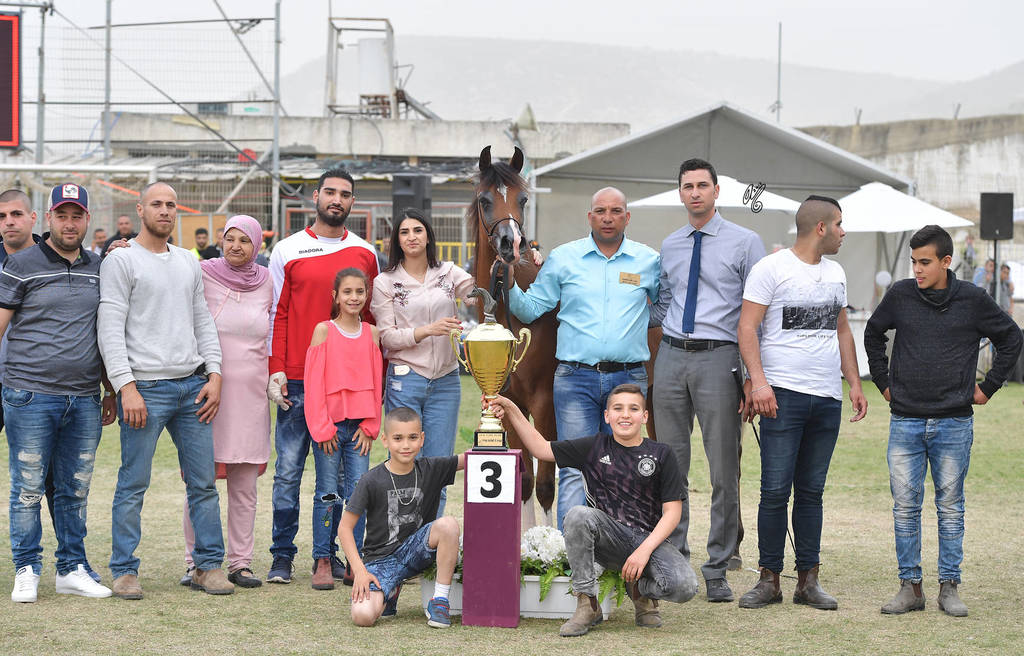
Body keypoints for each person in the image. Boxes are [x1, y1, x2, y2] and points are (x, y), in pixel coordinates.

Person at [864, 225, 1022, 618]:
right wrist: (883, 384)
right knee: (905, 507)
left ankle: (949, 587)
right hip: (905, 420)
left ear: (946, 261)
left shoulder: (973, 299)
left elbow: (1012, 338)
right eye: (913, 262)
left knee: (950, 507)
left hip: (954, 423)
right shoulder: (900, 294)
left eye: (925, 262)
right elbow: (872, 334)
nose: (916, 269)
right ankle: (910, 587)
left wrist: (988, 388)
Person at [98, 181, 232, 599]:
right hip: (146, 388)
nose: (165, 211)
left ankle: (208, 567)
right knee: (133, 482)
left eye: (171, 205)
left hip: (192, 385)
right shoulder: (121, 261)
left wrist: (215, 373)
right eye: (156, 204)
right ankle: (124, 570)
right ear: (140, 210)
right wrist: (126, 387)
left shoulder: (187, 261)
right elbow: (110, 328)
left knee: (204, 484)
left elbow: (201, 318)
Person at [736, 195, 867, 611]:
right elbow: (747, 327)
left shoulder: (837, 272)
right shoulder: (770, 269)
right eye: (840, 225)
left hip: (826, 397)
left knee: (812, 491)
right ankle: (769, 579)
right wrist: (759, 383)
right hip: (782, 396)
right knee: (775, 491)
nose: (845, 232)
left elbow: (843, 331)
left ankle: (808, 581)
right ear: (821, 227)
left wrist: (853, 382)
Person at [489, 384, 698, 637]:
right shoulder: (594, 447)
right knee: (578, 514)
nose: (625, 415)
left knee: (685, 586)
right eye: (618, 408)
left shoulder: (661, 454)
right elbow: (541, 449)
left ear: (644, 417)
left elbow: (673, 513)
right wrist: (511, 408)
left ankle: (640, 590)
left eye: (633, 409)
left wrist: (643, 552)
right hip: (606, 539)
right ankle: (587, 602)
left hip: (648, 542)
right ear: (607, 416)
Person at [507, 187, 659, 531]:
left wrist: (635, 323)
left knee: (623, 466)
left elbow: (664, 304)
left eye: (616, 211)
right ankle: (574, 556)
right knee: (575, 468)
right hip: (576, 380)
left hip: (628, 381)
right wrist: (511, 280)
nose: (608, 217)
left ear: (627, 217)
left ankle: (620, 548)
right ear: (590, 216)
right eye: (601, 211)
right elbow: (531, 308)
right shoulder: (564, 258)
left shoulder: (648, 260)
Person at [649, 158, 765, 602]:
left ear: (717, 191)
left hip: (720, 360)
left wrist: (756, 379)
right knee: (670, 467)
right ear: (680, 193)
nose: (694, 193)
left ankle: (719, 563)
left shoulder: (745, 242)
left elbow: (760, 315)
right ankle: (674, 555)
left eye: (702, 185)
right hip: (672, 357)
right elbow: (661, 306)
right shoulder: (671, 244)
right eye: (687, 186)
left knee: (723, 468)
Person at [1, 183, 117, 603]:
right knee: (28, 488)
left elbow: (105, 332)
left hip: (84, 397)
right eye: (62, 215)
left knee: (74, 490)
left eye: (77, 215)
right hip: (30, 395)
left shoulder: (101, 266)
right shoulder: (20, 264)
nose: (70, 223)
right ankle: (27, 568)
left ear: (88, 219)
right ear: (47, 218)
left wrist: (110, 388)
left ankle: (71, 567)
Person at [265, 168, 379, 585]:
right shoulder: (287, 249)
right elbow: (277, 312)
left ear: (353, 202)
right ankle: (281, 556)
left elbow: (369, 324)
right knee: (288, 474)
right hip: (297, 382)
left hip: (346, 394)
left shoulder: (366, 253)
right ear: (315, 196)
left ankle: (344, 557)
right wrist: (276, 368)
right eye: (330, 192)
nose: (337, 199)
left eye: (345, 194)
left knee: (349, 481)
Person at [178, 215, 274, 590]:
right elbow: (160, 261)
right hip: (208, 393)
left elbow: (276, 326)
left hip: (251, 396)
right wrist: (121, 248)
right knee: (200, 481)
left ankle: (240, 563)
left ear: (257, 246)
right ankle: (195, 562)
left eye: (244, 241)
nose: (235, 246)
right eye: (229, 238)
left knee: (245, 485)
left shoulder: (267, 281)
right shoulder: (200, 271)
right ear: (220, 240)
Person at [371, 208, 475, 517]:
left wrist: (509, 264)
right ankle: (402, 537)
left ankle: (431, 537)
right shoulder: (385, 282)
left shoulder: (449, 272)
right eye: (404, 232)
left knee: (439, 462)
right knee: (405, 458)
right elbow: (387, 337)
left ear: (428, 235)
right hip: (406, 379)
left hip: (446, 380)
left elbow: (479, 295)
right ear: (397, 240)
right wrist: (427, 331)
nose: (412, 236)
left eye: (417, 230)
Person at [342, 406, 465, 628]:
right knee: (362, 616)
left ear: (422, 439)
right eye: (398, 438)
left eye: (412, 437)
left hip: (417, 550)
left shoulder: (431, 468)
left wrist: (490, 424)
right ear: (385, 440)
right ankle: (389, 593)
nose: (406, 445)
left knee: (448, 525)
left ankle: (440, 600)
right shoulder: (371, 480)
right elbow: (345, 528)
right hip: (381, 560)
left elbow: (471, 458)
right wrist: (359, 571)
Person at [304, 268, 382, 591]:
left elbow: (377, 384)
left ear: (366, 296)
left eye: (359, 292)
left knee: (356, 494)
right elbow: (313, 383)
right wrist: (322, 428)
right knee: (327, 493)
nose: (353, 297)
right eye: (347, 292)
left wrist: (371, 425)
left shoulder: (371, 334)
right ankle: (323, 558)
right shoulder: (324, 331)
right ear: (335, 296)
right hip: (330, 429)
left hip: (359, 431)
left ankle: (354, 561)